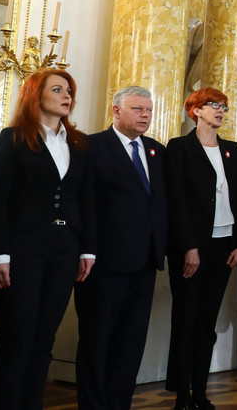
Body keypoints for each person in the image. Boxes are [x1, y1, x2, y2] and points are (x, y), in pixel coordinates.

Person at [0, 69, 95, 410]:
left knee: (43, 340)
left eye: (70, 91)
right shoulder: (14, 138)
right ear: (37, 95)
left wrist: (88, 248)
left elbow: (86, 199)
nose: (67, 96)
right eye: (58, 89)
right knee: (18, 338)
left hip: (65, 249)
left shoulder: (78, 143)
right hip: (22, 249)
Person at [75, 85, 167, 410]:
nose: (145, 116)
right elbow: (82, 204)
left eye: (149, 110)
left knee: (130, 343)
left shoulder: (156, 151)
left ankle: (119, 403)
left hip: (144, 263)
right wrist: (86, 250)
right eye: (138, 109)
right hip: (102, 265)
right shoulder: (90, 146)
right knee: (98, 341)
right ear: (116, 111)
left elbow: (159, 204)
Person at [164, 87, 237, 410]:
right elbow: (177, 201)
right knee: (186, 320)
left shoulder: (232, 150)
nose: (220, 111)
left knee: (206, 323)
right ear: (195, 110)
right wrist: (189, 246)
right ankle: (181, 396)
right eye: (213, 105)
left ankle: (200, 393)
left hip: (224, 246)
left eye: (223, 107)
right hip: (192, 248)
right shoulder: (180, 148)